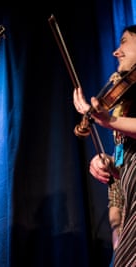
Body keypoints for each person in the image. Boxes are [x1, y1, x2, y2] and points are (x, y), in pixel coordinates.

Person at [73, 25, 136, 267]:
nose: (116, 51)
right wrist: (111, 164)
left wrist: (109, 121)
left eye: (124, 42)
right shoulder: (125, 106)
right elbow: (122, 177)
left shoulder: (118, 117)